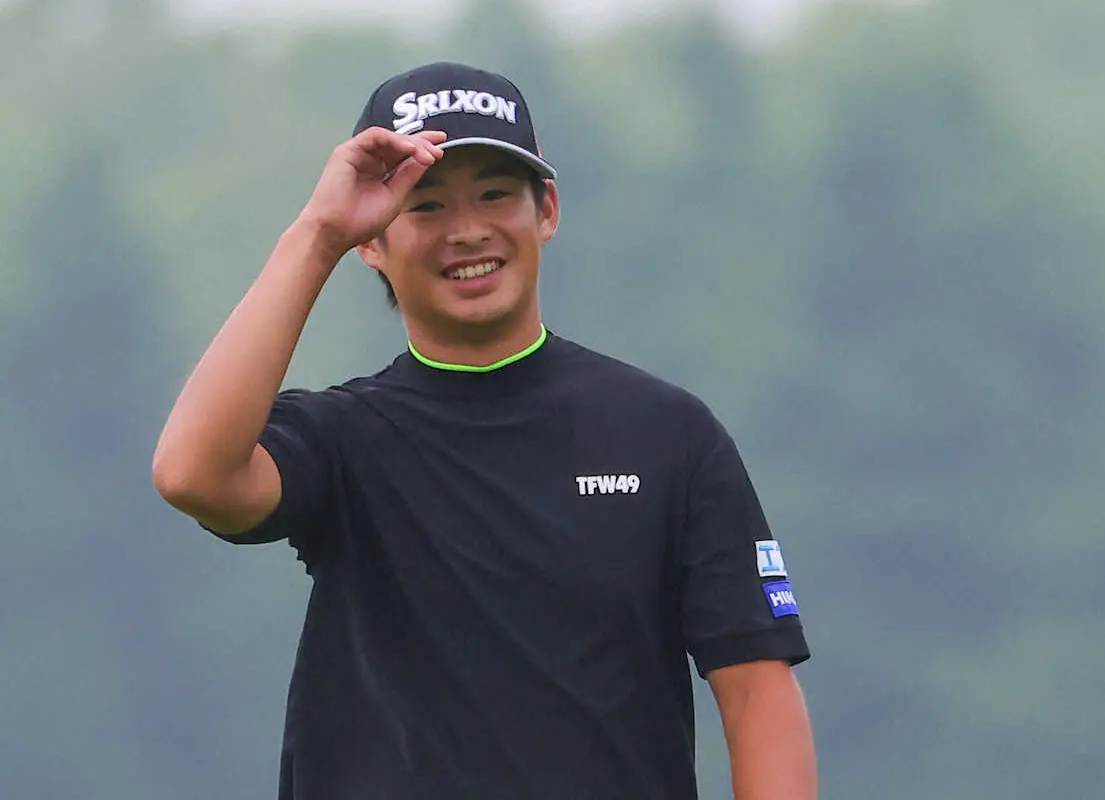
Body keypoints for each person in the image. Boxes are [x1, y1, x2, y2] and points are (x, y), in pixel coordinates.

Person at [152, 60, 818, 800]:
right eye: (427, 205)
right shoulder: (345, 440)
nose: (467, 231)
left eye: (495, 195)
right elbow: (192, 473)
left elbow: (757, 693)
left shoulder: (668, 436)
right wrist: (317, 235)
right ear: (372, 242)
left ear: (547, 210)